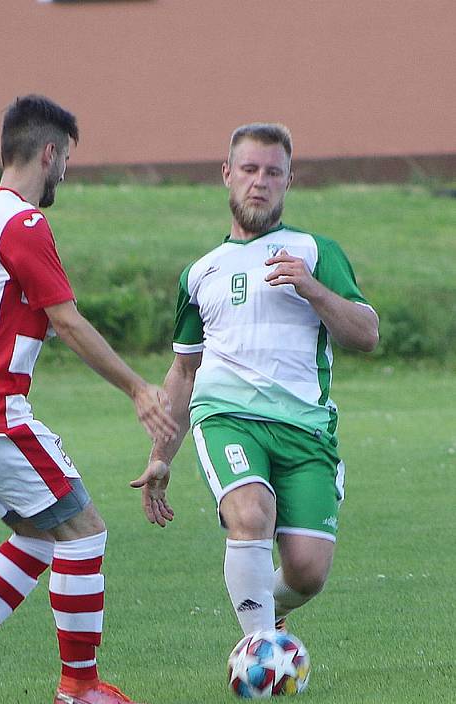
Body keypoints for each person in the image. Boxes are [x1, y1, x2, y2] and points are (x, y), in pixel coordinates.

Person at [0, 94, 177, 704]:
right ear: (49, 153)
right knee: (84, 528)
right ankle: (79, 688)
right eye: (66, 162)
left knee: (39, 533)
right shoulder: (24, 223)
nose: (65, 176)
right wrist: (139, 389)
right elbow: (70, 321)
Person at [132, 123, 379, 641]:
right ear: (227, 175)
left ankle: (266, 613)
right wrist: (160, 454)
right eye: (249, 170)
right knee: (250, 512)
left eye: (273, 172)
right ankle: (260, 652)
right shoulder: (201, 273)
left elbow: (367, 334)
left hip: (306, 429)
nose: (259, 182)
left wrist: (314, 290)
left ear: (290, 181)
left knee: (307, 572)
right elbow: (184, 371)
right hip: (227, 417)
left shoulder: (315, 251)